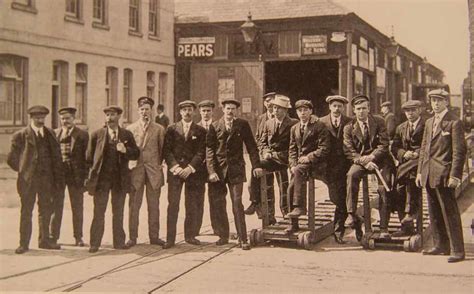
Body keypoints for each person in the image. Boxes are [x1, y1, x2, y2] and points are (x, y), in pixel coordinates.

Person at [417, 89, 467, 263]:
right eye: (433, 100)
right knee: (434, 210)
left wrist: (455, 175)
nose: (436, 104)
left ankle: (458, 250)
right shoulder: (429, 122)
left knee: (449, 211)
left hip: (445, 174)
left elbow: (459, 152)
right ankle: (441, 245)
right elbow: (424, 148)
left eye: (439, 100)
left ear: (446, 102)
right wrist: (419, 172)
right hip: (429, 173)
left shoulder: (454, 122)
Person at [8, 105, 64, 254]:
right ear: (31, 118)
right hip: (28, 181)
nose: (40, 120)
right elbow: (11, 159)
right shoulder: (20, 136)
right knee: (26, 211)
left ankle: (44, 241)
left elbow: (56, 157)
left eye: (42, 118)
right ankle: (23, 243)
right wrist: (24, 170)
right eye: (37, 118)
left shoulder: (50, 134)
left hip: (47, 181)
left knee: (45, 211)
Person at [206, 99, 261, 250]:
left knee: (237, 202)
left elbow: (251, 146)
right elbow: (209, 150)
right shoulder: (215, 126)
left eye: (233, 109)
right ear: (222, 109)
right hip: (219, 171)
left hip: (236, 170)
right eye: (227, 108)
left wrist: (256, 165)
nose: (230, 111)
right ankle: (223, 236)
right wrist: (211, 171)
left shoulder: (242, 125)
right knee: (219, 203)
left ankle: (243, 238)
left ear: (236, 111)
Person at [86, 105, 140, 253]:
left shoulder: (126, 135)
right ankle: (95, 243)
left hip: (119, 180)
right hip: (102, 180)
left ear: (119, 117)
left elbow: (136, 154)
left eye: (113, 115)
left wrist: (125, 150)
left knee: (118, 211)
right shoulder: (97, 135)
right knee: (99, 211)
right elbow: (89, 158)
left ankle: (119, 242)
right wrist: (91, 177)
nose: (109, 118)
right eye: (107, 115)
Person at [343, 95, 391, 240]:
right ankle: (351, 214)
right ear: (354, 110)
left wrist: (372, 157)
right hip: (361, 161)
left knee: (384, 188)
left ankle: (384, 227)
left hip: (380, 160)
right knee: (351, 175)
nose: (361, 112)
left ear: (369, 109)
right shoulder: (349, 127)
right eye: (358, 109)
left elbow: (384, 144)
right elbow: (349, 150)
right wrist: (363, 161)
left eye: (364, 108)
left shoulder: (379, 121)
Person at [162, 100, 207, 249]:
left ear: (193, 112)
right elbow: (166, 151)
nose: (187, 112)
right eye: (184, 110)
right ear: (180, 112)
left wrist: (190, 168)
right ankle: (170, 239)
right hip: (175, 173)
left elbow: (201, 152)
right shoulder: (171, 129)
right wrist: (175, 167)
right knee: (173, 205)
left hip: (192, 173)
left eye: (189, 110)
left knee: (191, 204)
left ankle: (190, 235)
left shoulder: (200, 131)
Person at [250, 95, 298, 224]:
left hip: (287, 159)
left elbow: (295, 146)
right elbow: (262, 142)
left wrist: (275, 154)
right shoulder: (268, 123)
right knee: (257, 165)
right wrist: (265, 151)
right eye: (274, 107)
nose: (275, 111)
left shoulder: (293, 123)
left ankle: (288, 212)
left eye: (279, 109)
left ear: (286, 111)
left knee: (286, 185)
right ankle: (255, 202)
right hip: (271, 159)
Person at [126, 97, 166, 247]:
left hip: (153, 173)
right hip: (136, 172)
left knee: (154, 206)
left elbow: (163, 151)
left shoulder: (159, 129)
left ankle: (154, 237)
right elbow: (129, 151)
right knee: (134, 205)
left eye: (147, 109)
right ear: (138, 111)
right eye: (142, 109)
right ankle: (132, 237)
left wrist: (158, 165)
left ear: (152, 111)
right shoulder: (130, 129)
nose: (144, 112)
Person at [286, 100, 330, 233]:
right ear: (296, 113)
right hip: (300, 166)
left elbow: (324, 148)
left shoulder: (319, 126)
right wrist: (292, 164)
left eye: (306, 110)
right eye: (300, 110)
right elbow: (292, 149)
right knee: (290, 189)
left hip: (317, 164)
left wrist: (309, 157)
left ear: (311, 111)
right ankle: (293, 224)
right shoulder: (294, 128)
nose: (303, 113)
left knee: (298, 173)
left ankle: (300, 207)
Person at [51, 107, 89, 247]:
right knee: (56, 205)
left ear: (74, 119)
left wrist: (86, 177)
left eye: (68, 118)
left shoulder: (82, 135)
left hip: (76, 175)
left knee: (77, 206)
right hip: (59, 175)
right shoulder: (55, 133)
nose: (65, 121)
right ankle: (53, 236)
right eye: (62, 118)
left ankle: (78, 237)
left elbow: (87, 158)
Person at [319, 95, 352, 243]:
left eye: (340, 106)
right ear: (329, 107)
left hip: (345, 165)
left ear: (343, 108)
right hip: (328, 166)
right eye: (334, 106)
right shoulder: (321, 122)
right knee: (337, 198)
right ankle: (354, 219)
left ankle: (338, 231)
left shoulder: (350, 122)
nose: (337, 109)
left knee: (343, 196)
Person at [391, 100, 425, 237]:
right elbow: (394, 147)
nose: (410, 114)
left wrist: (417, 153)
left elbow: (430, 144)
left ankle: (410, 213)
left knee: (411, 179)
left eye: (413, 110)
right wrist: (404, 153)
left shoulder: (426, 125)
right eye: (407, 111)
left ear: (419, 110)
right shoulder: (401, 128)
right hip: (405, 162)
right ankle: (406, 226)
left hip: (420, 162)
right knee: (399, 189)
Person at [198, 100, 230, 244]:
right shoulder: (195, 127)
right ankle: (195, 228)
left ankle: (217, 228)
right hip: (198, 168)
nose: (206, 113)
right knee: (196, 199)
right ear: (199, 112)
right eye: (203, 111)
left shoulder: (218, 126)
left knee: (215, 199)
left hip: (215, 168)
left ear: (213, 112)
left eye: (208, 111)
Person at [245, 92, 278, 216]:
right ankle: (264, 211)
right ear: (264, 104)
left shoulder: (282, 116)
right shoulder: (261, 118)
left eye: (272, 100)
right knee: (263, 182)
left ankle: (286, 212)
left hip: (279, 156)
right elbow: (258, 137)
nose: (270, 103)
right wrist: (262, 151)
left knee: (283, 186)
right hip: (265, 155)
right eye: (267, 101)